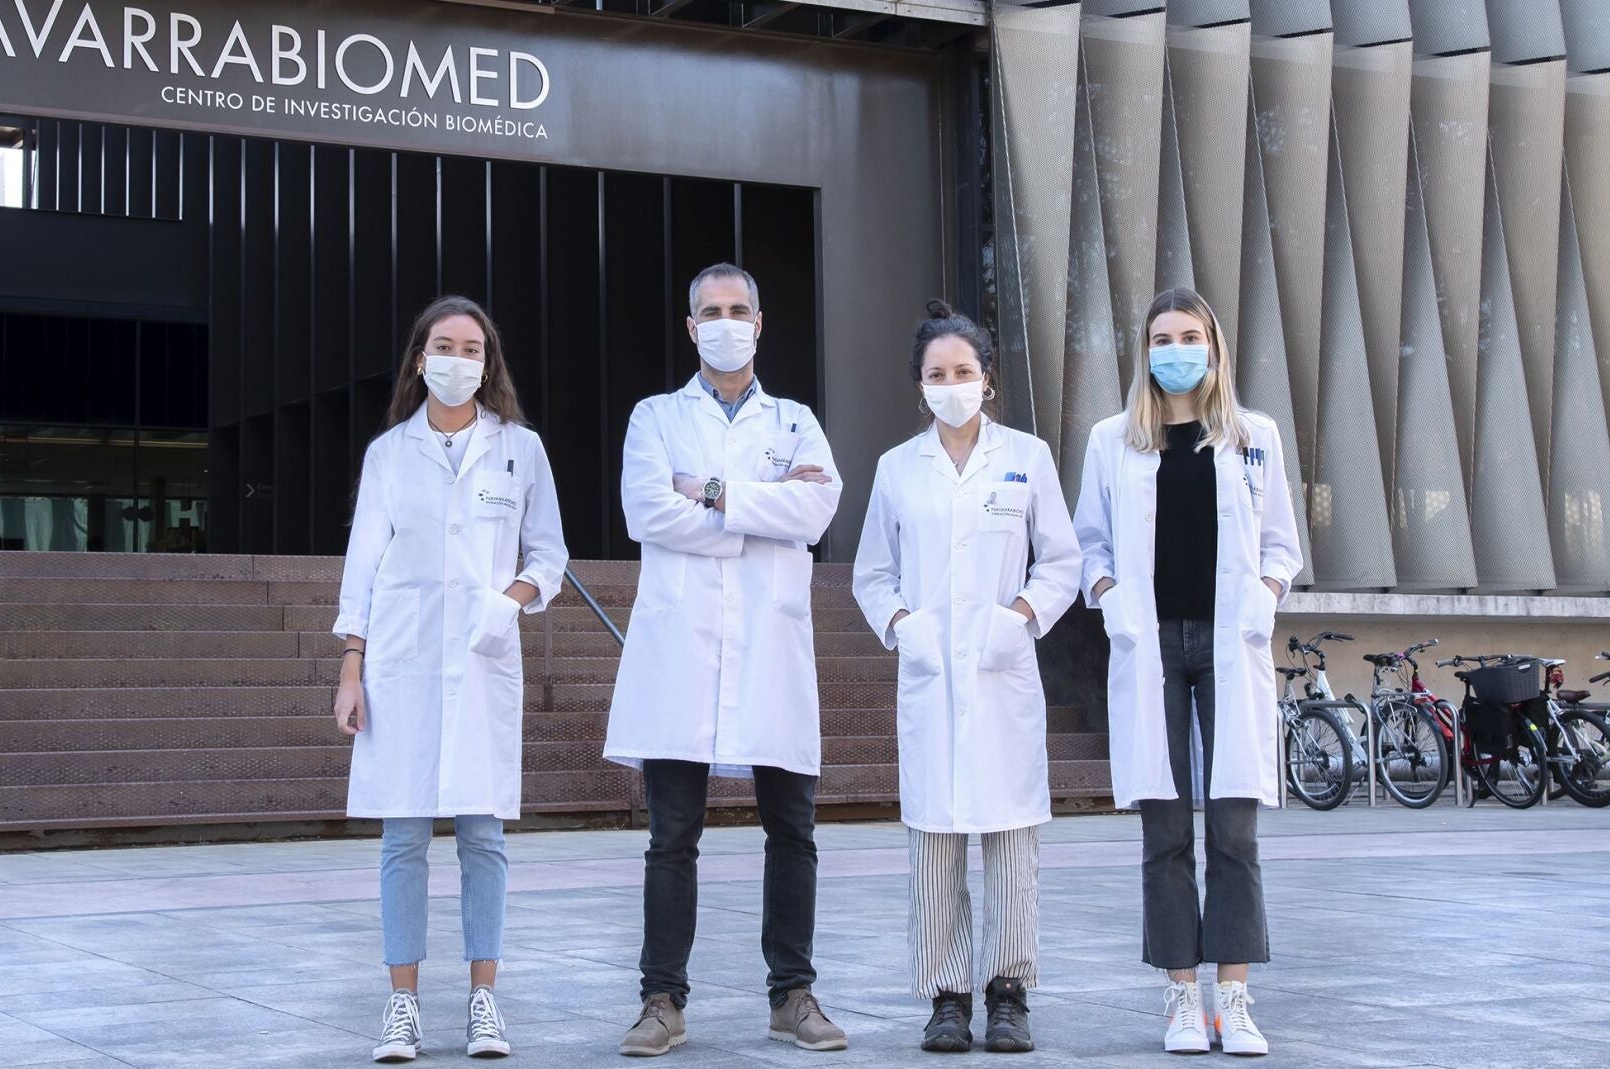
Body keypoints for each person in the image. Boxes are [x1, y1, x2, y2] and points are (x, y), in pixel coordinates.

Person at [604, 263, 848, 1057]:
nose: (726, 322)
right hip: (682, 650)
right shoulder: (655, 416)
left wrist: (709, 492)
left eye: (738, 308)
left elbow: (817, 508)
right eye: (710, 311)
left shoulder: (795, 421)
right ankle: (661, 999)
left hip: (770, 647)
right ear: (690, 327)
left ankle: (793, 994)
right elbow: (647, 510)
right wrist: (760, 510)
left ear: (760, 321)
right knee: (672, 833)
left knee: (793, 828)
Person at [331, 296, 569, 1063]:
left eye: (472, 348)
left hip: (482, 659)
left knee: (483, 834)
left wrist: (510, 601)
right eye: (445, 346)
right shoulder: (389, 453)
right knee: (402, 835)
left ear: (487, 363)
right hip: (399, 662)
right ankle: (402, 1004)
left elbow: (550, 555)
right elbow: (364, 564)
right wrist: (352, 663)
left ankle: (483, 1000)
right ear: (420, 358)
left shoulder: (519, 449)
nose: (458, 360)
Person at [1071, 287, 1302, 1057]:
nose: (1177, 350)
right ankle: (1181, 997)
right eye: (1162, 338)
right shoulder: (1112, 440)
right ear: (1145, 351)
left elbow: (1281, 543)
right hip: (1153, 644)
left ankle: (1233, 998)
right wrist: (1110, 596)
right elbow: (1090, 543)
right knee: (1165, 828)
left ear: (1214, 346)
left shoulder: (1254, 436)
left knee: (1234, 827)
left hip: (1231, 639)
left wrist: (1266, 594)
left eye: (1190, 336)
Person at [853, 300, 1084, 1054]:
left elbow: (1062, 562)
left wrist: (1018, 617)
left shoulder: (1027, 457)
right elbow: (872, 572)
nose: (950, 385)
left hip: (1002, 671)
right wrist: (904, 626)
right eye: (936, 374)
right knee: (935, 840)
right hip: (929, 674)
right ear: (919, 384)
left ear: (987, 378)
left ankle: (1008, 992)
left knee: (1012, 836)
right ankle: (947, 996)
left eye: (963, 371)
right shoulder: (897, 468)